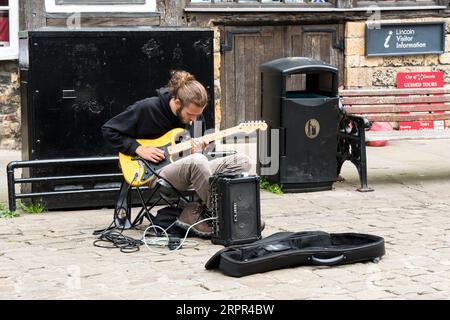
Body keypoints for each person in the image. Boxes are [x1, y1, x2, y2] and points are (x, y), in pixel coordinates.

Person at [102, 70, 252, 238]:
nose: (194, 120)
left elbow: (192, 156)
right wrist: (138, 149)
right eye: (190, 114)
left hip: (189, 168)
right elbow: (109, 130)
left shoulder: (192, 116)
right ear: (177, 102)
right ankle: (225, 218)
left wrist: (196, 150)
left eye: (198, 115)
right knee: (197, 160)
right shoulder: (147, 108)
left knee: (242, 161)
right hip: (155, 172)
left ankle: (195, 210)